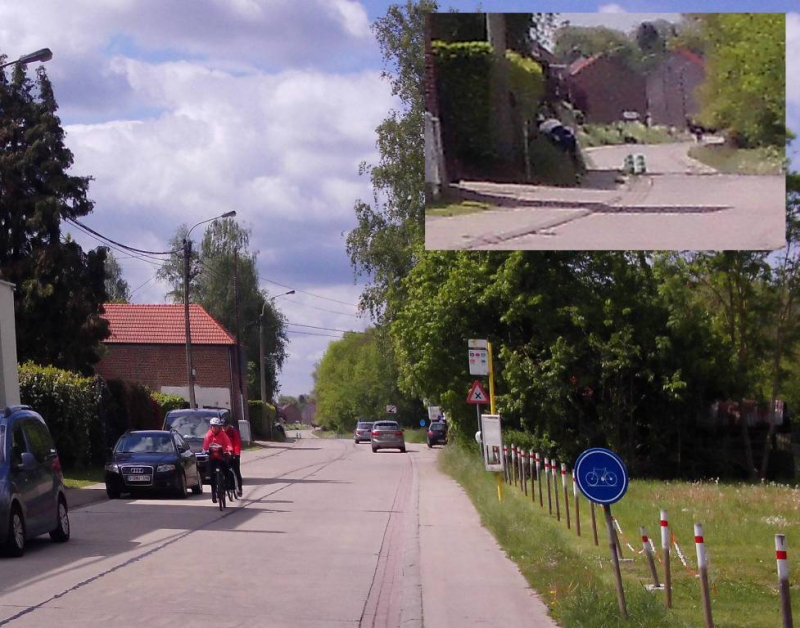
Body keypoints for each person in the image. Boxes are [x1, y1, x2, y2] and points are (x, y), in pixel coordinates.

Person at [202, 417, 233, 503]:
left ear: (219, 427)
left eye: (217, 426)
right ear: (211, 427)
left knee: (226, 470)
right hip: (212, 457)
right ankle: (213, 494)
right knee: (212, 476)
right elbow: (205, 445)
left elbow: (228, 443)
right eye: (213, 426)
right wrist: (205, 451)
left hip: (221, 456)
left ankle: (226, 484)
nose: (215, 428)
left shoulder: (223, 434)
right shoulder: (208, 435)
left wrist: (229, 450)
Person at [223, 419, 243, 497]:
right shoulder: (220, 433)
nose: (224, 428)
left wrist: (237, 453)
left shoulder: (233, 431)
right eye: (222, 426)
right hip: (225, 454)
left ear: (228, 425)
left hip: (233, 453)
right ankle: (224, 485)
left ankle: (239, 488)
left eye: (225, 426)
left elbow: (237, 443)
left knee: (236, 470)